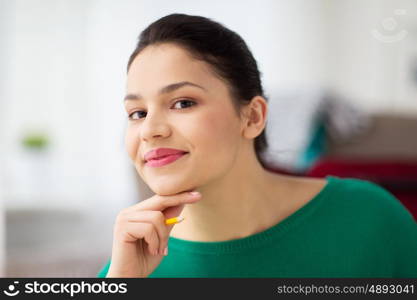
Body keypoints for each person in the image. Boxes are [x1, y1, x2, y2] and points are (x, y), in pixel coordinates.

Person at [98, 13, 417, 278]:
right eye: (137, 113)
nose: (150, 130)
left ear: (252, 117)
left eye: (183, 103)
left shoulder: (369, 218)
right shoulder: (126, 270)